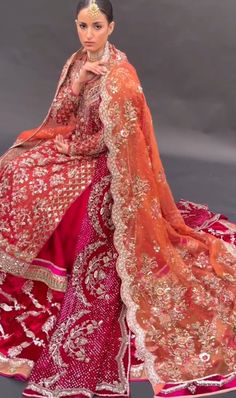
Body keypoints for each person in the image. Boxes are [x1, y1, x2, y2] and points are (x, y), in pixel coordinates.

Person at [0, 1, 235, 397]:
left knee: (50, 189)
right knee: (15, 165)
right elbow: (59, 119)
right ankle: (16, 267)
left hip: (106, 166)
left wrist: (77, 149)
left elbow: (120, 144)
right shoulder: (76, 62)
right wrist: (76, 86)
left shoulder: (121, 78)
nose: (88, 34)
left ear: (111, 27)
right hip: (72, 148)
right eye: (82, 25)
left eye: (96, 26)